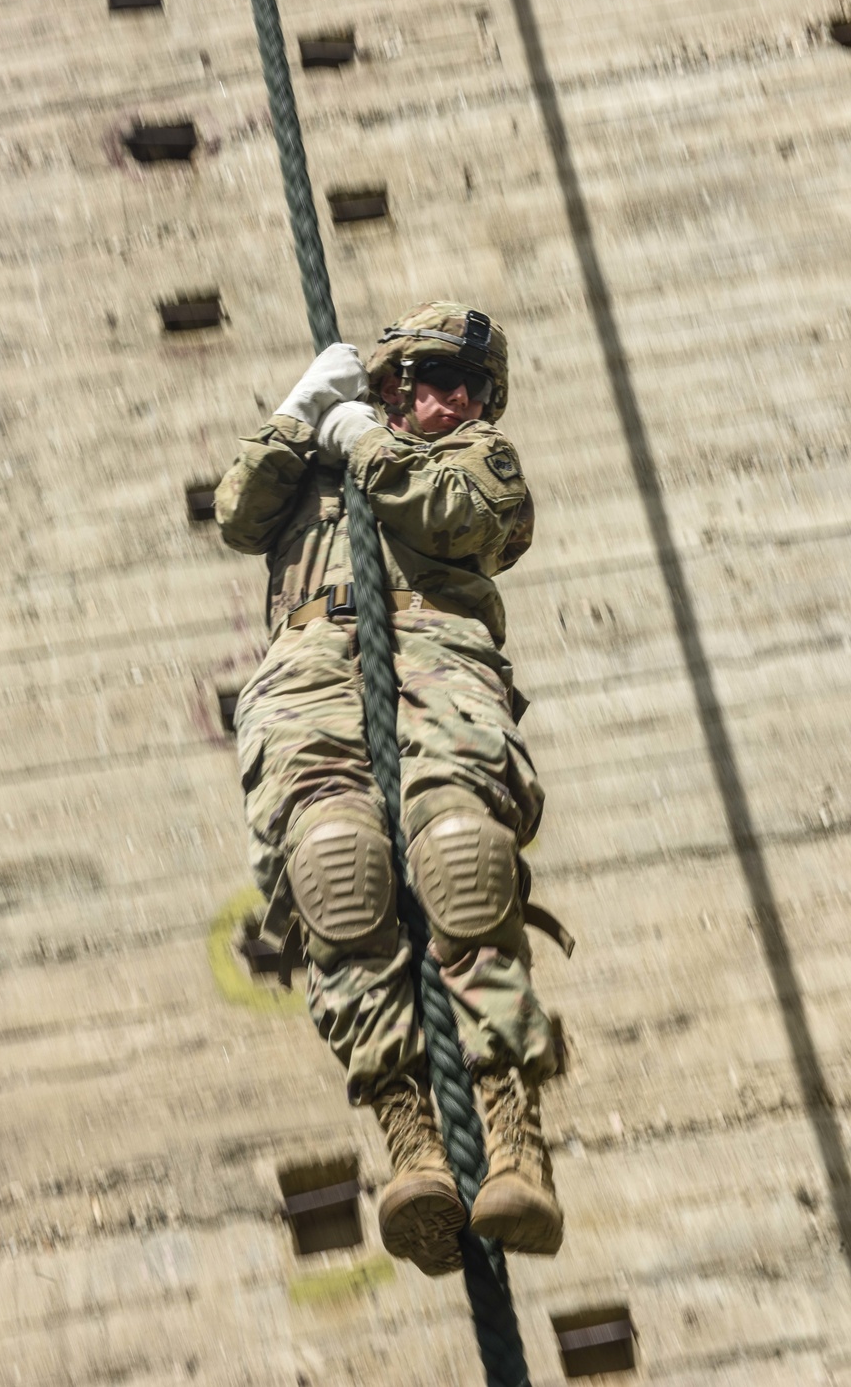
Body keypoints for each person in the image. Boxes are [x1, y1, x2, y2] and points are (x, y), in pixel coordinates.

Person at [215, 303, 563, 1278]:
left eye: (470, 386)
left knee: (459, 849)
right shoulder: (315, 461)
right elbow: (239, 514)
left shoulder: (480, 463)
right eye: (437, 378)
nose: (457, 399)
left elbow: (467, 524)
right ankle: (411, 1138)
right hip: (309, 665)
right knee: (334, 867)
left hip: (433, 644)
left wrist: (366, 442)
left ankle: (510, 1133)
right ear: (396, 379)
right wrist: (299, 419)